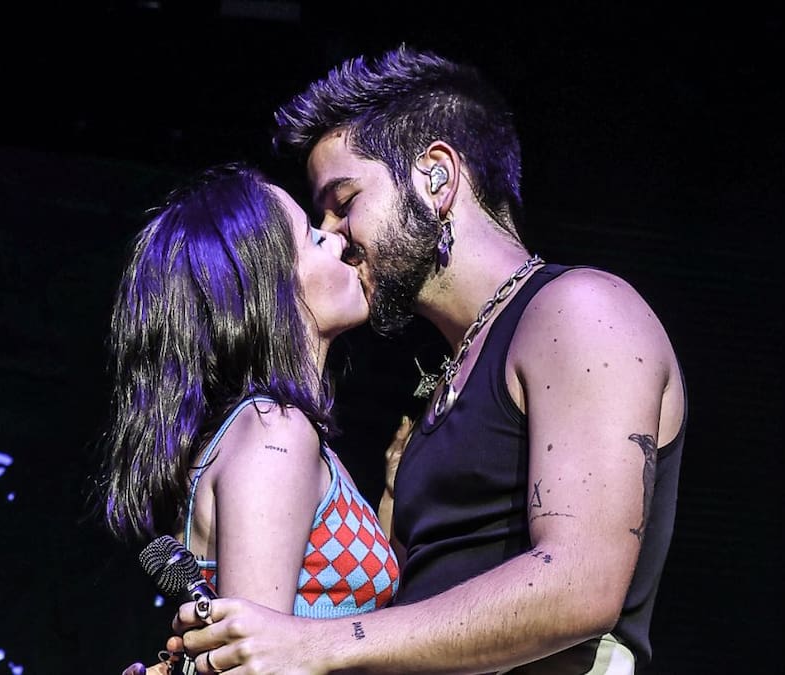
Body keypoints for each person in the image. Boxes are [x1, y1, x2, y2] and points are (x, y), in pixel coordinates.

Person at [155, 45, 688, 675]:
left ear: (436, 176)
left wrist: (311, 645)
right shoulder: (438, 392)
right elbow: (413, 630)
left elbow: (581, 585)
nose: (334, 237)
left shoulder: (580, 311)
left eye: (344, 201)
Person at [99, 164, 401, 673]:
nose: (336, 240)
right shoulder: (274, 431)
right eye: (312, 237)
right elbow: (256, 665)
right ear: (270, 288)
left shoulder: (276, 430)